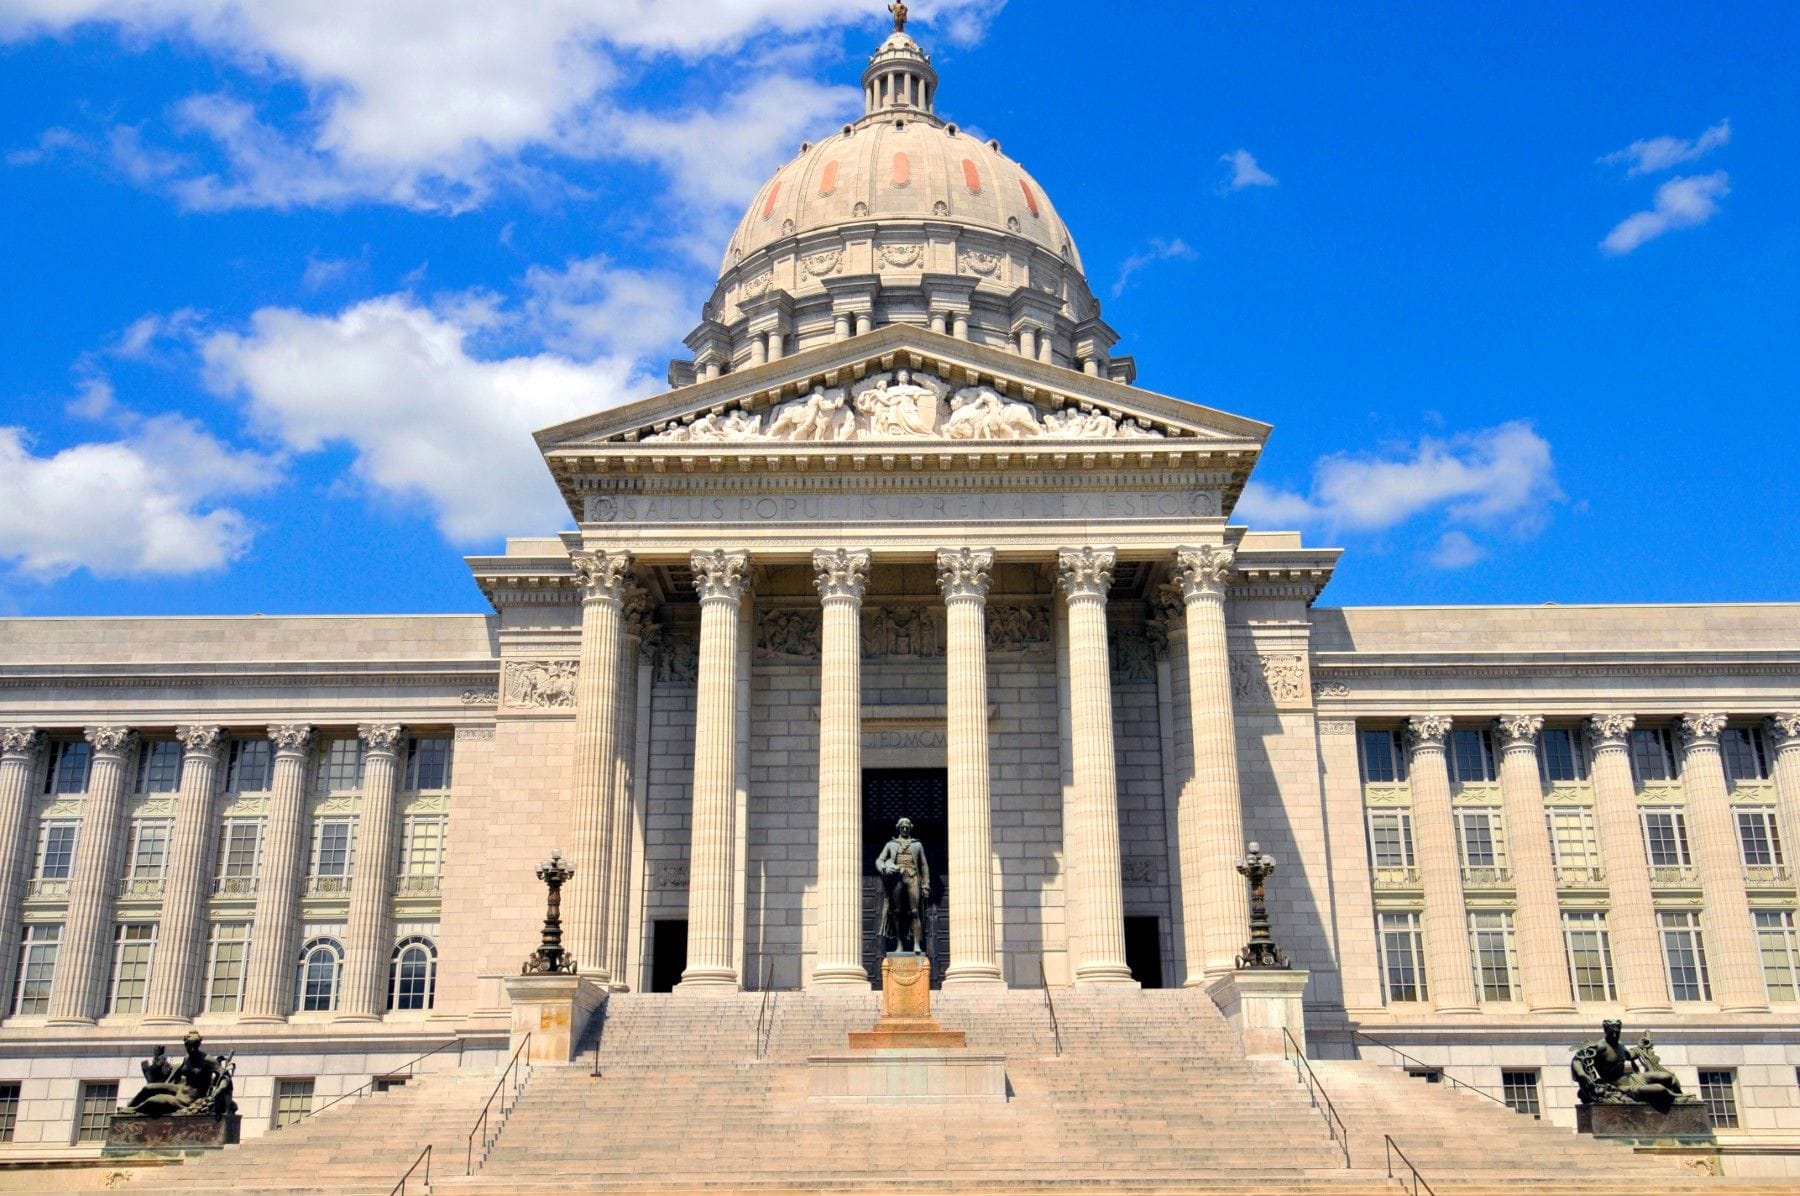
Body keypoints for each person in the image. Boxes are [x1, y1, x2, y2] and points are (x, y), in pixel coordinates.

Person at [1571, 1020, 1690, 1111]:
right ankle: (1675, 1098)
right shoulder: (1600, 1047)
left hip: (1632, 1079)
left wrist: (1640, 1047)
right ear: (1605, 1031)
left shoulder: (1620, 1045)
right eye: (1611, 1032)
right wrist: (1581, 1073)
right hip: (1621, 1087)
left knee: (1668, 1077)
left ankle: (1683, 1096)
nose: (1614, 1035)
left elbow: (1630, 1055)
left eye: (1617, 1032)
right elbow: (1578, 1058)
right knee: (1660, 1088)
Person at [874, 817, 931, 954]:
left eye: (907, 827)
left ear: (910, 827)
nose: (904, 829)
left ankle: (916, 944)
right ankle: (899, 944)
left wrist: (925, 885)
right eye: (902, 827)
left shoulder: (917, 845)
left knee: (915, 911)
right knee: (897, 913)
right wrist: (884, 868)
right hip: (897, 879)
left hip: (912, 878)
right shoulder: (891, 844)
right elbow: (879, 860)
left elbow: (924, 865)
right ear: (899, 828)